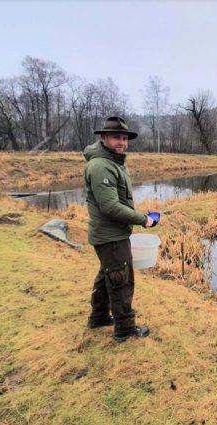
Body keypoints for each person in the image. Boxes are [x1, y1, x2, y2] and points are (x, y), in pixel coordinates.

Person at [83, 116, 155, 342]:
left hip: (112, 234)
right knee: (120, 279)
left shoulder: (114, 162)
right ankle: (125, 330)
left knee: (109, 274)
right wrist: (142, 219)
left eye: (124, 138)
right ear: (103, 138)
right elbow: (110, 207)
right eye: (116, 137)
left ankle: (99, 317)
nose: (121, 142)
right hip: (110, 236)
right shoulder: (101, 166)